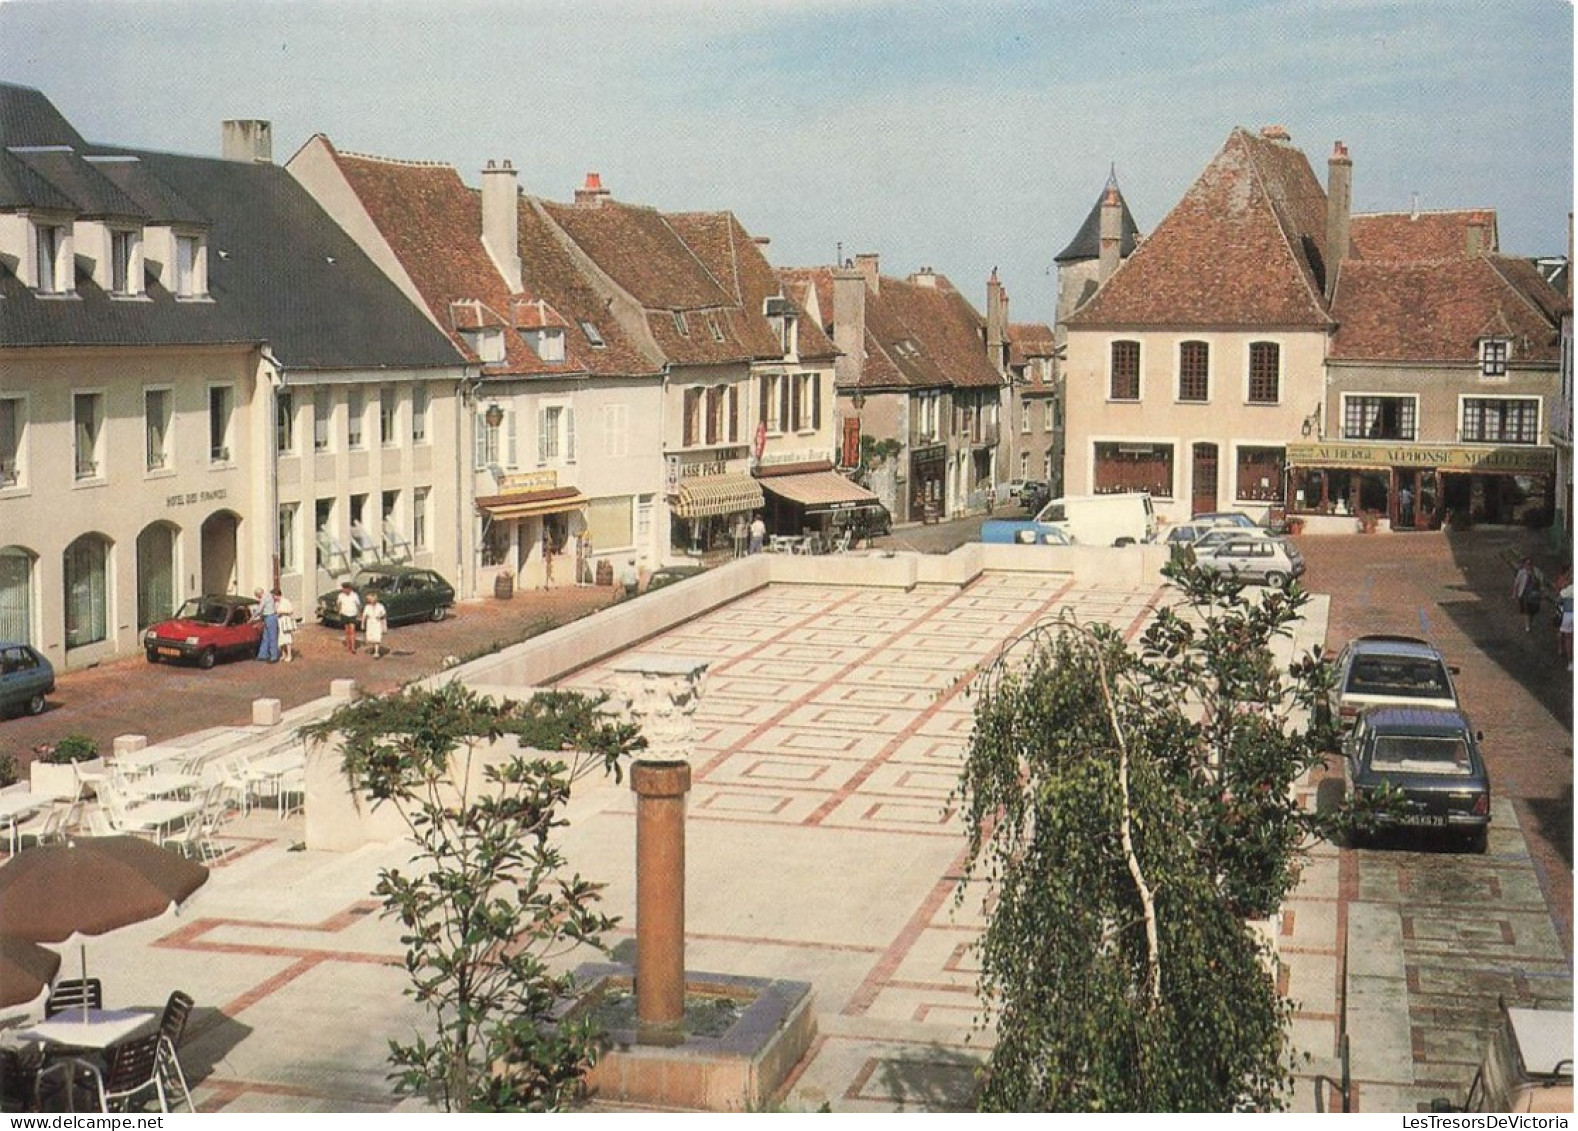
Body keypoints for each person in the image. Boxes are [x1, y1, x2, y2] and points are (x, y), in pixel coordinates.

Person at [1512, 556, 1542, 633]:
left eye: (1530, 564)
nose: (1528, 566)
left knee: (1533, 611)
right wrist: (1514, 594)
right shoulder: (1521, 572)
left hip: (1534, 594)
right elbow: (1516, 583)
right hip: (1524, 594)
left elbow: (1540, 582)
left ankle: (1530, 622)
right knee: (1526, 611)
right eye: (1527, 564)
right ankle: (1527, 625)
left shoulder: (1536, 571)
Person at [254, 587, 280, 663]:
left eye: (257, 596)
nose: (258, 598)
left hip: (270, 617)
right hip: (267, 617)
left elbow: (259, 609)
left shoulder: (264, 598)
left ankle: (273, 657)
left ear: (259, 594)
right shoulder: (268, 596)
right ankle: (263, 654)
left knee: (272, 637)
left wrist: (253, 617)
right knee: (266, 637)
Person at [335, 581, 362, 654]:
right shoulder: (341, 595)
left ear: (349, 589)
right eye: (343, 589)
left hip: (352, 614)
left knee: (352, 631)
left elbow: (358, 605)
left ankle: (353, 647)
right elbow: (338, 603)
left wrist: (359, 613)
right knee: (347, 631)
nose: (344, 590)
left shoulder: (354, 595)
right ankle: (348, 645)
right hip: (344, 614)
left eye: (345, 589)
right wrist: (339, 610)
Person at [361, 590, 388, 659]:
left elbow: (384, 614)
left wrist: (380, 617)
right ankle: (374, 648)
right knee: (371, 638)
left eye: (371, 599)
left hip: (377, 623)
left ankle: (376, 652)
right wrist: (363, 624)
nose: (370, 601)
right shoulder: (367, 607)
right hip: (370, 623)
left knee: (377, 637)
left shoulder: (380, 606)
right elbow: (364, 616)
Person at [275, 588, 297, 663]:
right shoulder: (277, 602)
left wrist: (282, 612)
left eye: (274, 596)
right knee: (281, 639)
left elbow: (291, 611)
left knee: (287, 638)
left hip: (285, 621)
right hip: (279, 621)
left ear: (277, 595)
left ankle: (289, 655)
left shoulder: (285, 601)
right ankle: (284, 654)